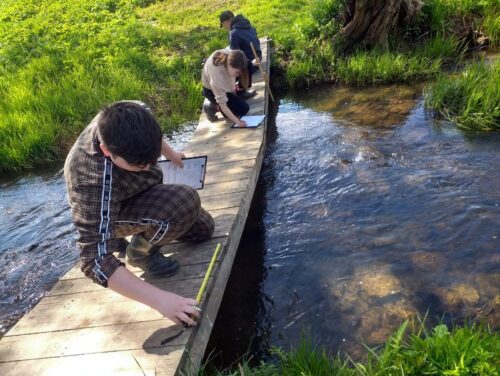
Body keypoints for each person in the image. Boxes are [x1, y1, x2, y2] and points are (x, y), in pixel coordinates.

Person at [64, 100, 214, 326]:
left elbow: (152, 138)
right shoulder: (90, 180)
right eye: (141, 165)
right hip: (113, 210)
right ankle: (139, 254)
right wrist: (161, 301)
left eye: (152, 160)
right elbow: (93, 260)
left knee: (204, 229)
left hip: (139, 190)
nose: (150, 165)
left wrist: (170, 153)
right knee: (185, 199)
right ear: (107, 151)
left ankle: (147, 234)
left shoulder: (133, 109)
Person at [219, 10, 262, 99]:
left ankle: (242, 92)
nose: (225, 28)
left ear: (227, 22)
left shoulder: (234, 33)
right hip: (258, 58)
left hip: (250, 65)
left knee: (226, 67)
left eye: (223, 25)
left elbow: (235, 55)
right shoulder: (246, 25)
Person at [202, 49, 249, 127]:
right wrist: (237, 122)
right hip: (210, 90)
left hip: (223, 85)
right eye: (237, 72)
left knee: (244, 108)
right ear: (229, 65)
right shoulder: (217, 76)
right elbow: (223, 105)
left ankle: (216, 104)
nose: (238, 75)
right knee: (233, 116)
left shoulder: (232, 57)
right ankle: (211, 106)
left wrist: (234, 96)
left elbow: (232, 82)